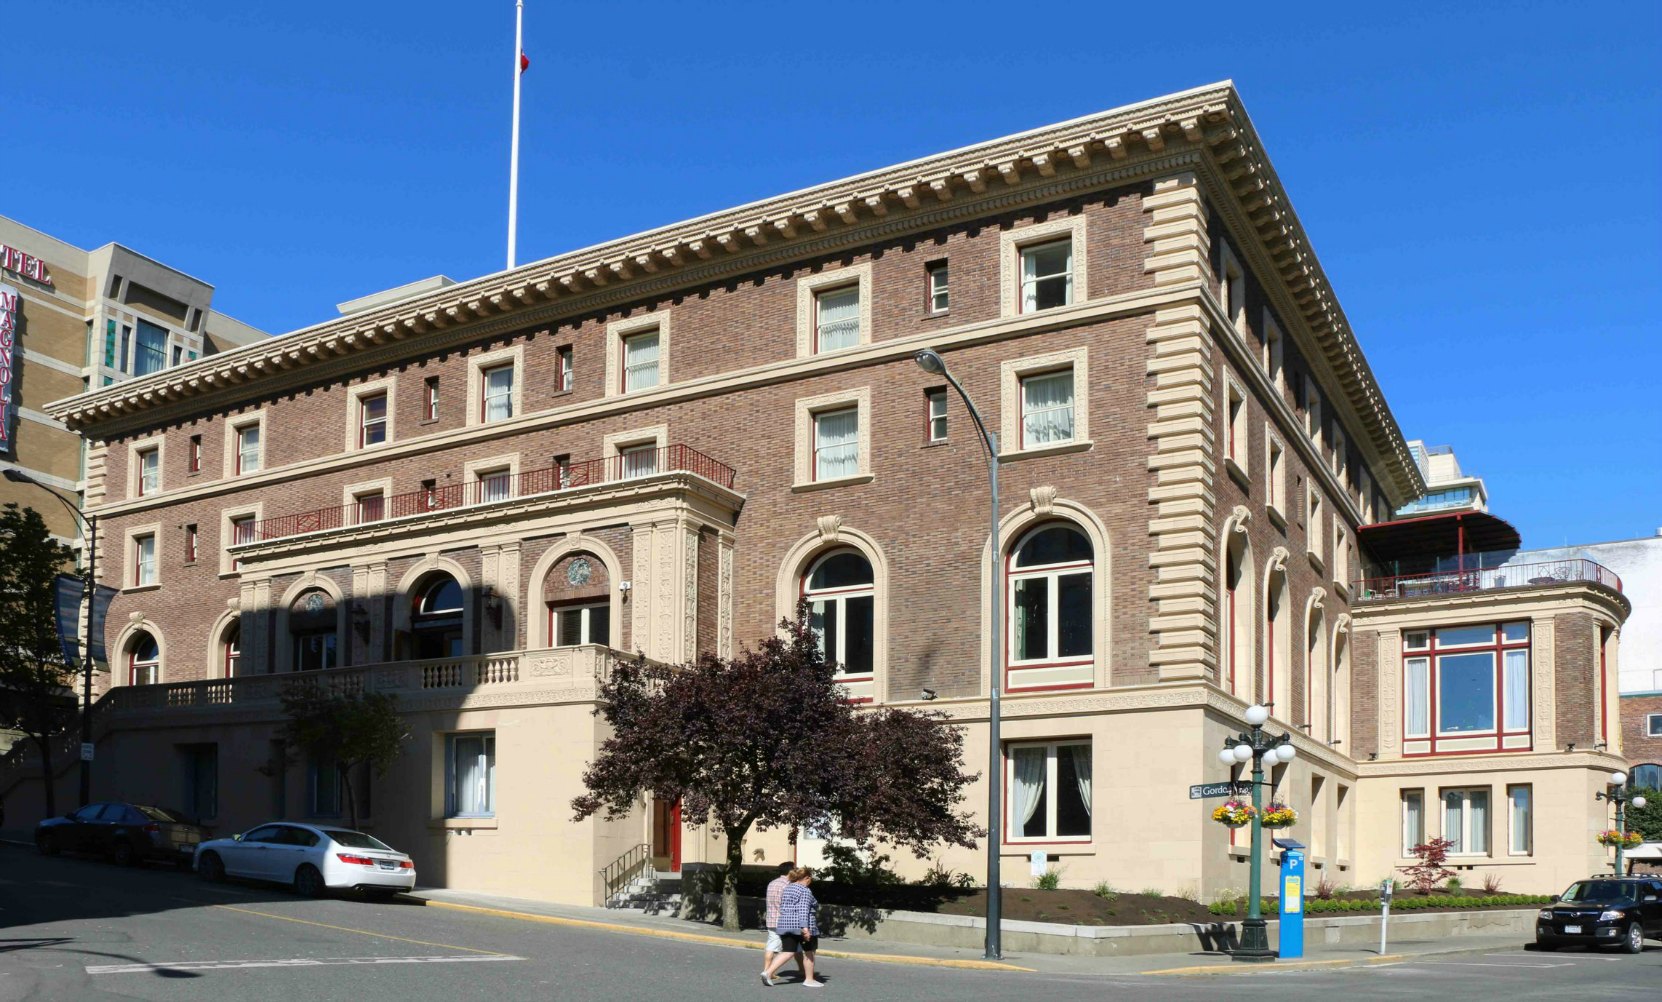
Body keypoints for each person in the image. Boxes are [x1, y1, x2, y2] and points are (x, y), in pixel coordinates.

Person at [762, 867, 823, 987]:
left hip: (785, 924)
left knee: (787, 951)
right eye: (810, 879)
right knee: (809, 952)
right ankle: (809, 980)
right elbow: (803, 909)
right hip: (801, 926)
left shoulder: (788, 888)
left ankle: (767, 972)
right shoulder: (805, 890)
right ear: (807, 878)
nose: (810, 882)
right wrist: (805, 928)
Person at [762, 861, 804, 981]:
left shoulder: (772, 883)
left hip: (771, 919)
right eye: (795, 869)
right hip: (786, 921)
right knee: (796, 946)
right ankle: (802, 969)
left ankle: (767, 970)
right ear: (791, 871)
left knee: (771, 946)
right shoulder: (790, 885)